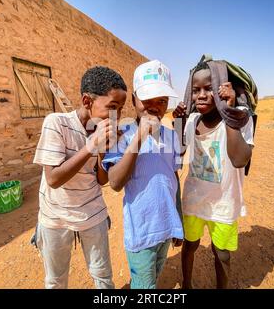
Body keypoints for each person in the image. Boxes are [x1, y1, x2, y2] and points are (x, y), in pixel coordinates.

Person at [32, 66, 127, 289]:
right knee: (56, 280)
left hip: (91, 214)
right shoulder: (57, 123)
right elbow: (54, 179)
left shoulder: (102, 131)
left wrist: (103, 149)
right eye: (112, 107)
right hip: (55, 217)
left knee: (102, 275)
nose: (117, 116)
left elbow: (102, 180)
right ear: (87, 101)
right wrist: (90, 146)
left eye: (121, 109)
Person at [102, 60, 184, 289]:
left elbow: (173, 179)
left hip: (167, 227)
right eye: (147, 99)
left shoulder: (171, 136)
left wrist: (178, 222)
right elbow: (115, 182)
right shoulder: (123, 135)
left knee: (154, 278)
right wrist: (139, 137)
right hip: (142, 234)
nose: (155, 106)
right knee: (144, 287)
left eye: (162, 100)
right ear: (133, 99)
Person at [173, 60, 254, 289]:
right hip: (194, 200)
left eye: (209, 88)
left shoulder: (240, 119)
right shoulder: (191, 122)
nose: (201, 95)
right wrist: (178, 122)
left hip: (224, 202)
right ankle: (187, 285)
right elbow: (178, 151)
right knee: (190, 246)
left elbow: (239, 159)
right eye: (195, 90)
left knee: (222, 254)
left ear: (223, 87)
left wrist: (229, 111)